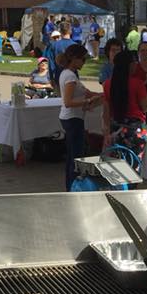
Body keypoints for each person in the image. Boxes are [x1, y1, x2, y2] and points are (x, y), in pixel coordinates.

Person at [59, 43, 102, 190]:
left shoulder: (70, 74)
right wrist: (87, 101)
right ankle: (72, 186)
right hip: (72, 119)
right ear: (74, 59)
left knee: (73, 155)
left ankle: (71, 185)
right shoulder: (70, 76)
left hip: (73, 118)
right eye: (83, 59)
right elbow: (68, 102)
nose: (84, 62)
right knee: (75, 157)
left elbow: (86, 92)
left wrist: (101, 95)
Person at [102, 50, 147, 163]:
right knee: (134, 163)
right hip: (135, 128)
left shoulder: (108, 84)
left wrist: (107, 133)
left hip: (116, 127)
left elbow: (106, 112)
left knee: (117, 165)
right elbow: (145, 107)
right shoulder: (138, 84)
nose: (136, 65)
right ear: (130, 65)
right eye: (134, 62)